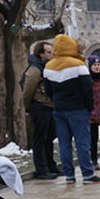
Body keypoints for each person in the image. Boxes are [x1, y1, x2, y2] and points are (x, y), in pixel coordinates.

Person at [44, 34, 100, 184]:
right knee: (82, 143)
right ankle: (87, 174)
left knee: (64, 143)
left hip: (59, 110)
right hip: (78, 109)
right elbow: (87, 90)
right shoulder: (78, 65)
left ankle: (69, 175)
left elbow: (48, 91)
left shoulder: (48, 66)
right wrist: (88, 108)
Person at [21, 40, 59, 180]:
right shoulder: (35, 69)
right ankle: (42, 170)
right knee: (40, 139)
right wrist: (26, 107)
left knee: (49, 138)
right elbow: (27, 91)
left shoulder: (46, 67)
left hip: (49, 106)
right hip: (39, 106)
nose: (51, 54)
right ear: (41, 54)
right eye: (48, 52)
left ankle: (51, 167)